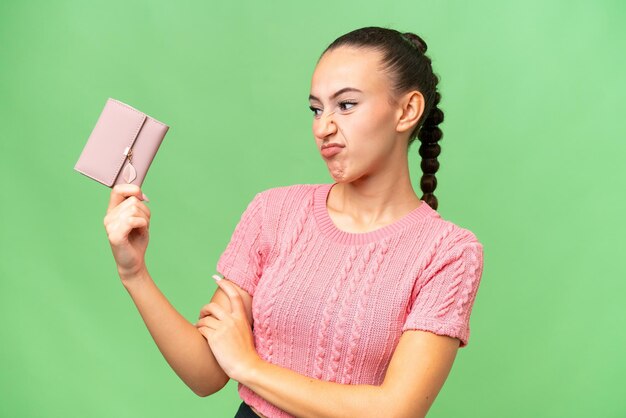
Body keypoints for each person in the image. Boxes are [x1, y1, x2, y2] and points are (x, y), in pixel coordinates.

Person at [104, 26, 485, 418]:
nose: (323, 127)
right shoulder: (274, 212)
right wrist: (134, 273)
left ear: (406, 110)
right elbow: (206, 375)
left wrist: (249, 366)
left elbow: (394, 411)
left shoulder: (449, 252)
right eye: (316, 109)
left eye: (347, 105)